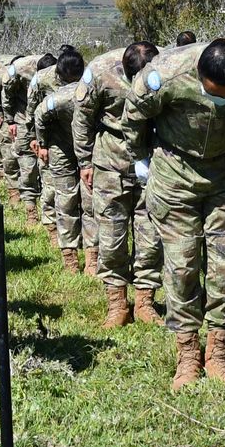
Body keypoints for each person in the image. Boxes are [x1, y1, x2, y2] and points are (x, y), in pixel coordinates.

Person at [125, 38, 225, 388]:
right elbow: (133, 114)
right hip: (175, 176)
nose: (223, 101)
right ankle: (188, 354)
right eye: (215, 94)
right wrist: (140, 158)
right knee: (181, 267)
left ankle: (218, 352)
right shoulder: (164, 74)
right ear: (198, 77)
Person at [73, 41, 162, 327]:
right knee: (112, 236)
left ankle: (146, 301)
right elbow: (82, 118)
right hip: (111, 160)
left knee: (151, 234)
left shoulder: (163, 71)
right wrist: (85, 162)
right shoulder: (100, 71)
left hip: (151, 159)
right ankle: (118, 304)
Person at [32, 47, 90, 274]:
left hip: (88, 144)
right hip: (59, 144)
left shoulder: (92, 86)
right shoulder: (44, 83)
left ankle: (93, 256)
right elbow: (36, 114)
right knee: (65, 198)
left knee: (90, 199)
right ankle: (70, 257)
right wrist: (42, 143)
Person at [25, 45, 83, 248]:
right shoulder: (42, 79)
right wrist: (37, 140)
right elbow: (32, 110)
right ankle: (53, 229)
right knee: (53, 188)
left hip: (82, 138)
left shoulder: (88, 81)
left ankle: (83, 237)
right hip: (53, 140)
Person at [0, 52, 53, 225]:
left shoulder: (59, 71)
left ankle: (50, 210)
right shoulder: (20, 69)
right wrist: (9, 119)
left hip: (47, 119)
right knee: (27, 164)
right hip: (23, 116)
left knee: (48, 164)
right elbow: (4, 93)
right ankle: (30, 209)